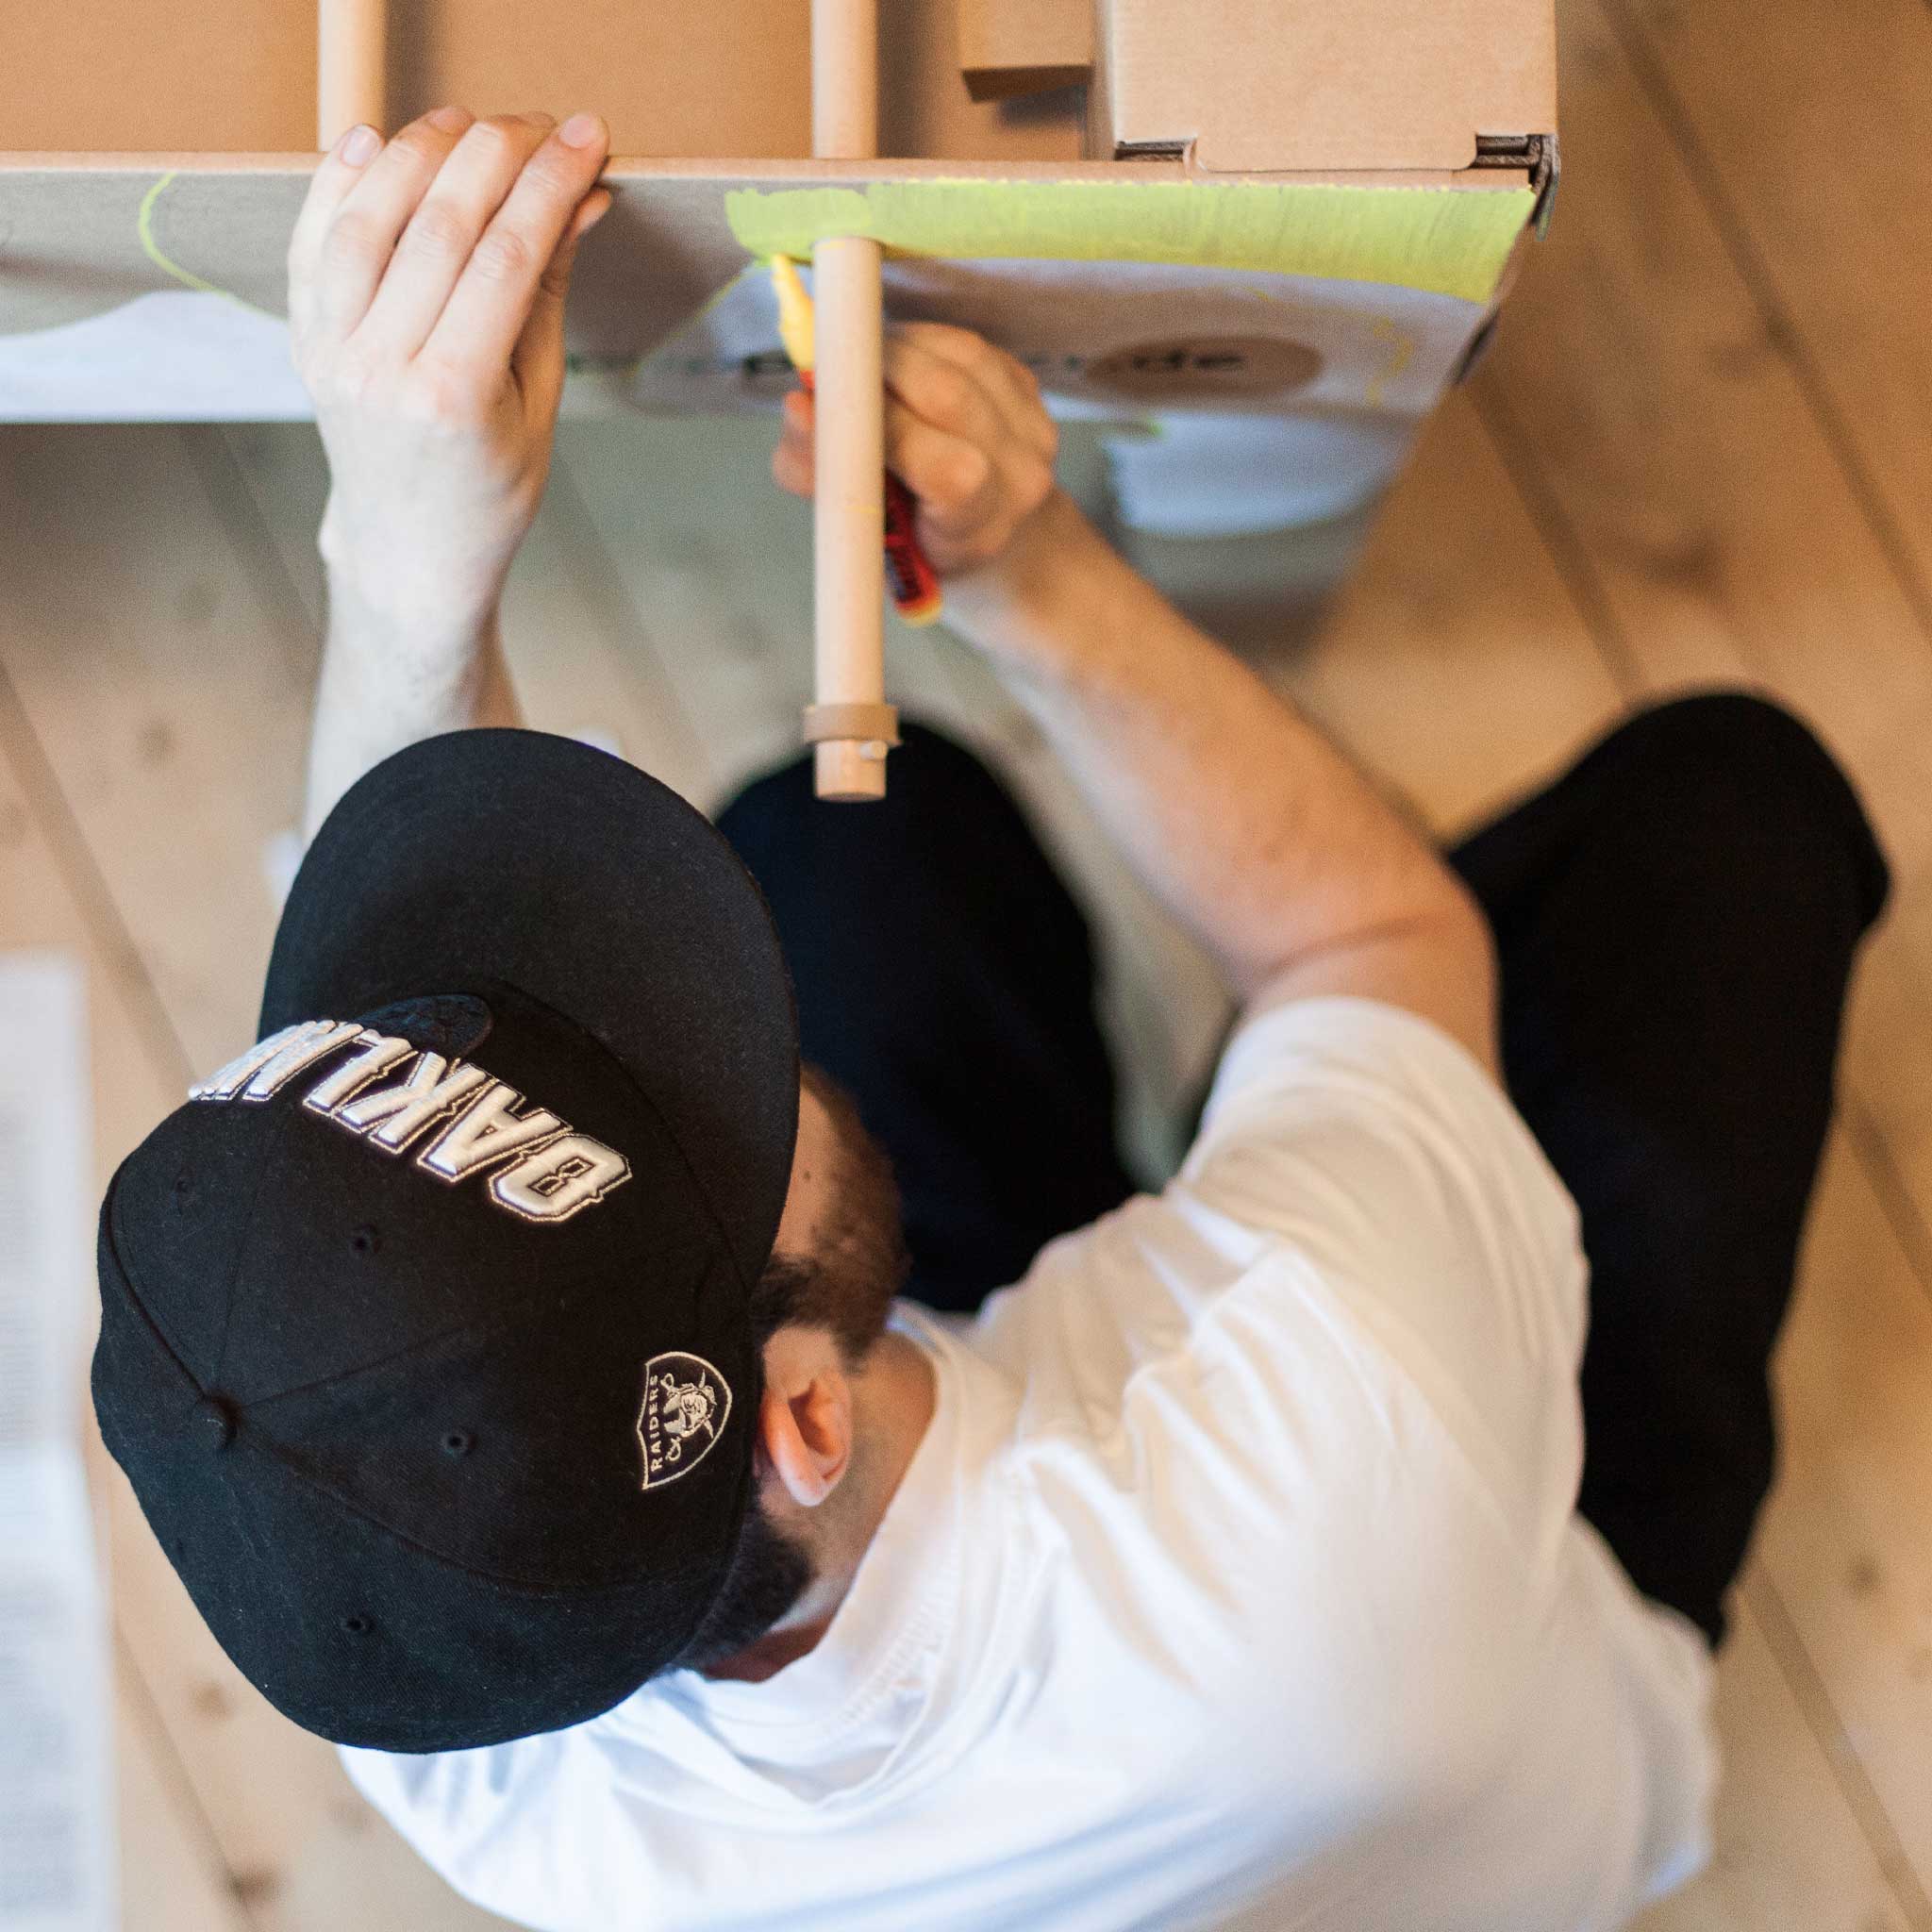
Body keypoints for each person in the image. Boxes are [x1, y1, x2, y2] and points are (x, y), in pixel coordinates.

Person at [92, 107, 1890, 1932]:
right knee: (1728, 819)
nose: (705, 1031)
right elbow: (1367, 933)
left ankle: (1211, 1149)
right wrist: (1028, 567)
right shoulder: (1326, 1448)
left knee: (853, 840)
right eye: (710, 1098)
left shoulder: (430, 1662)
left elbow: (373, 1147)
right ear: (794, 1409)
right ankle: (1311, 1159)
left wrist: (398, 557)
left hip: (1090, 1517)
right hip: (1484, 1590)